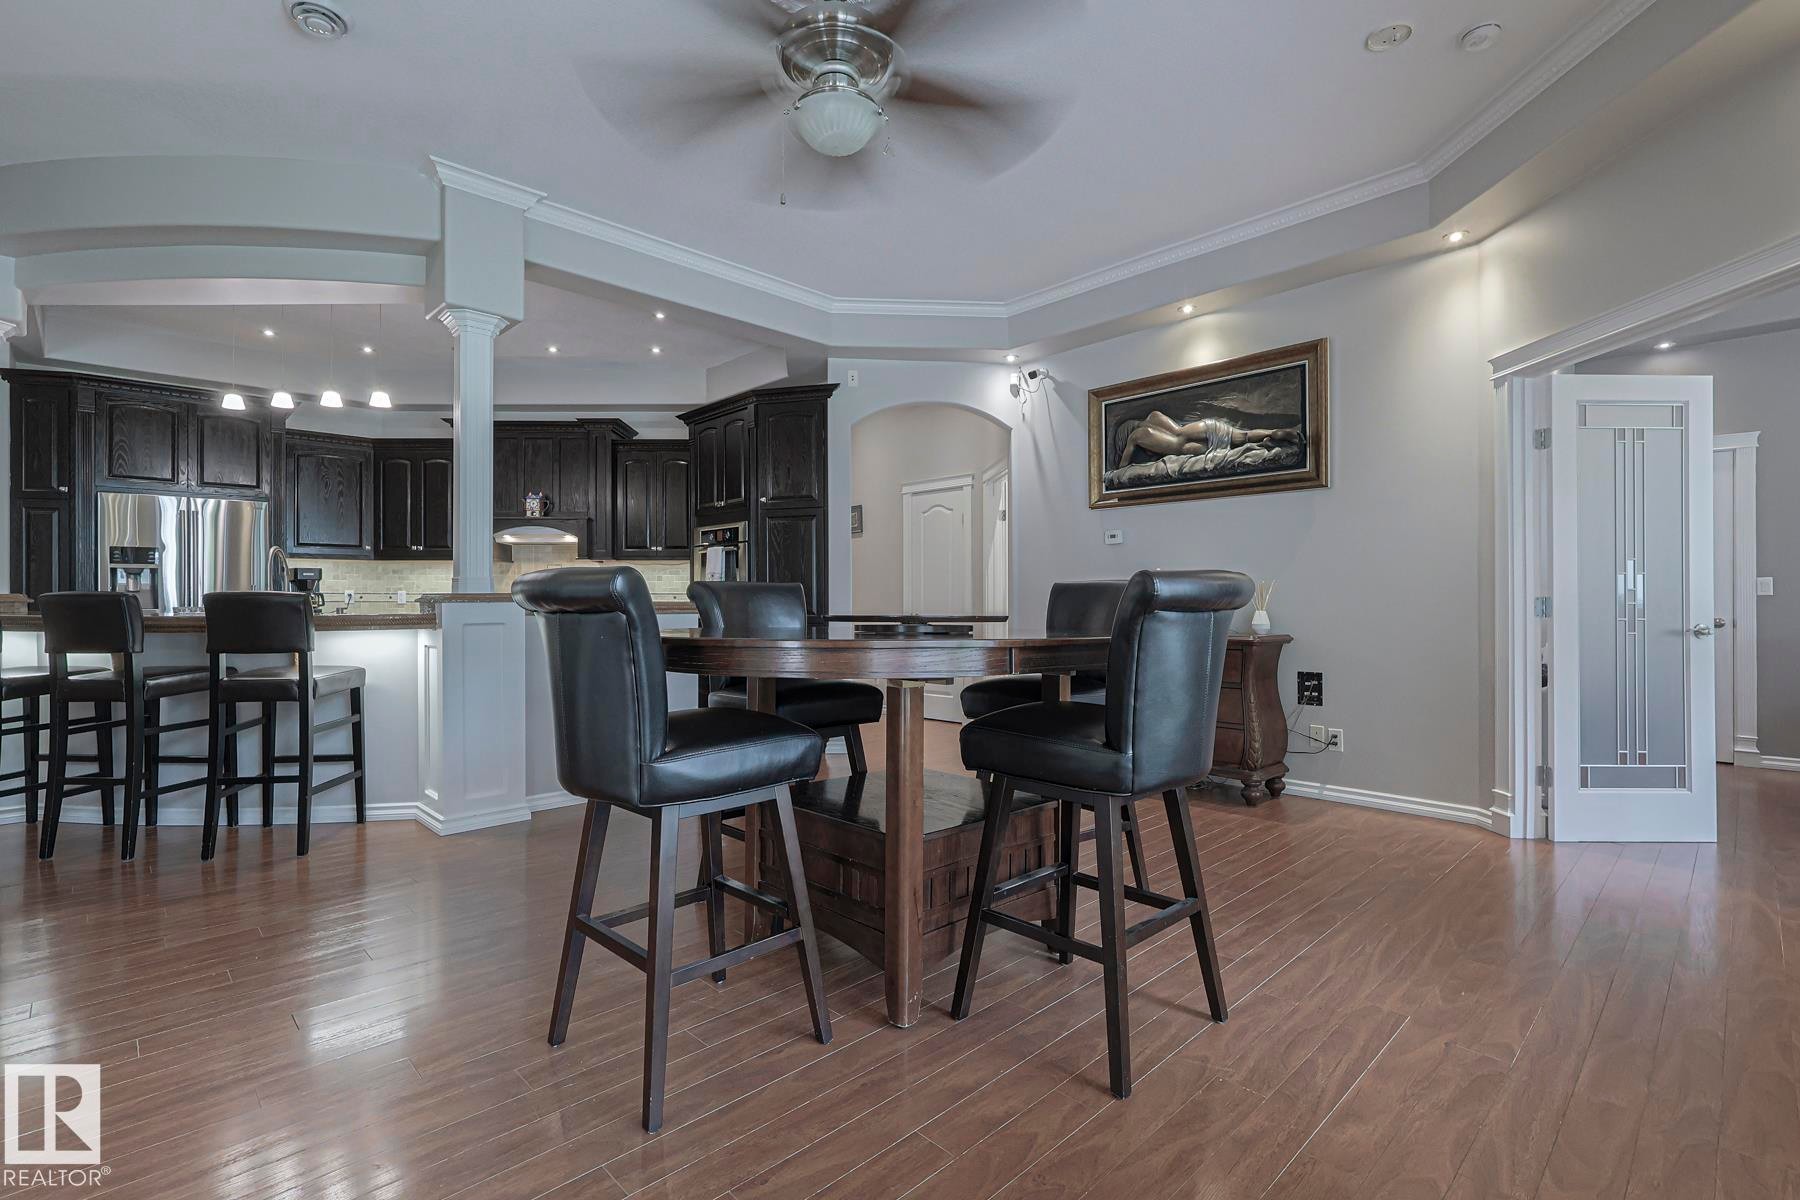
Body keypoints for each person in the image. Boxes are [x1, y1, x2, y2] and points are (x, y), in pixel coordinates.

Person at [1116, 410, 1300, 470]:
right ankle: (1272, 434)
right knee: (1244, 436)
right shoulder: (1153, 416)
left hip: (1188, 447)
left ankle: (1263, 444)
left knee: (1227, 452)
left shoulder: (1137, 436)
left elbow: (1122, 468)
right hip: (1204, 426)